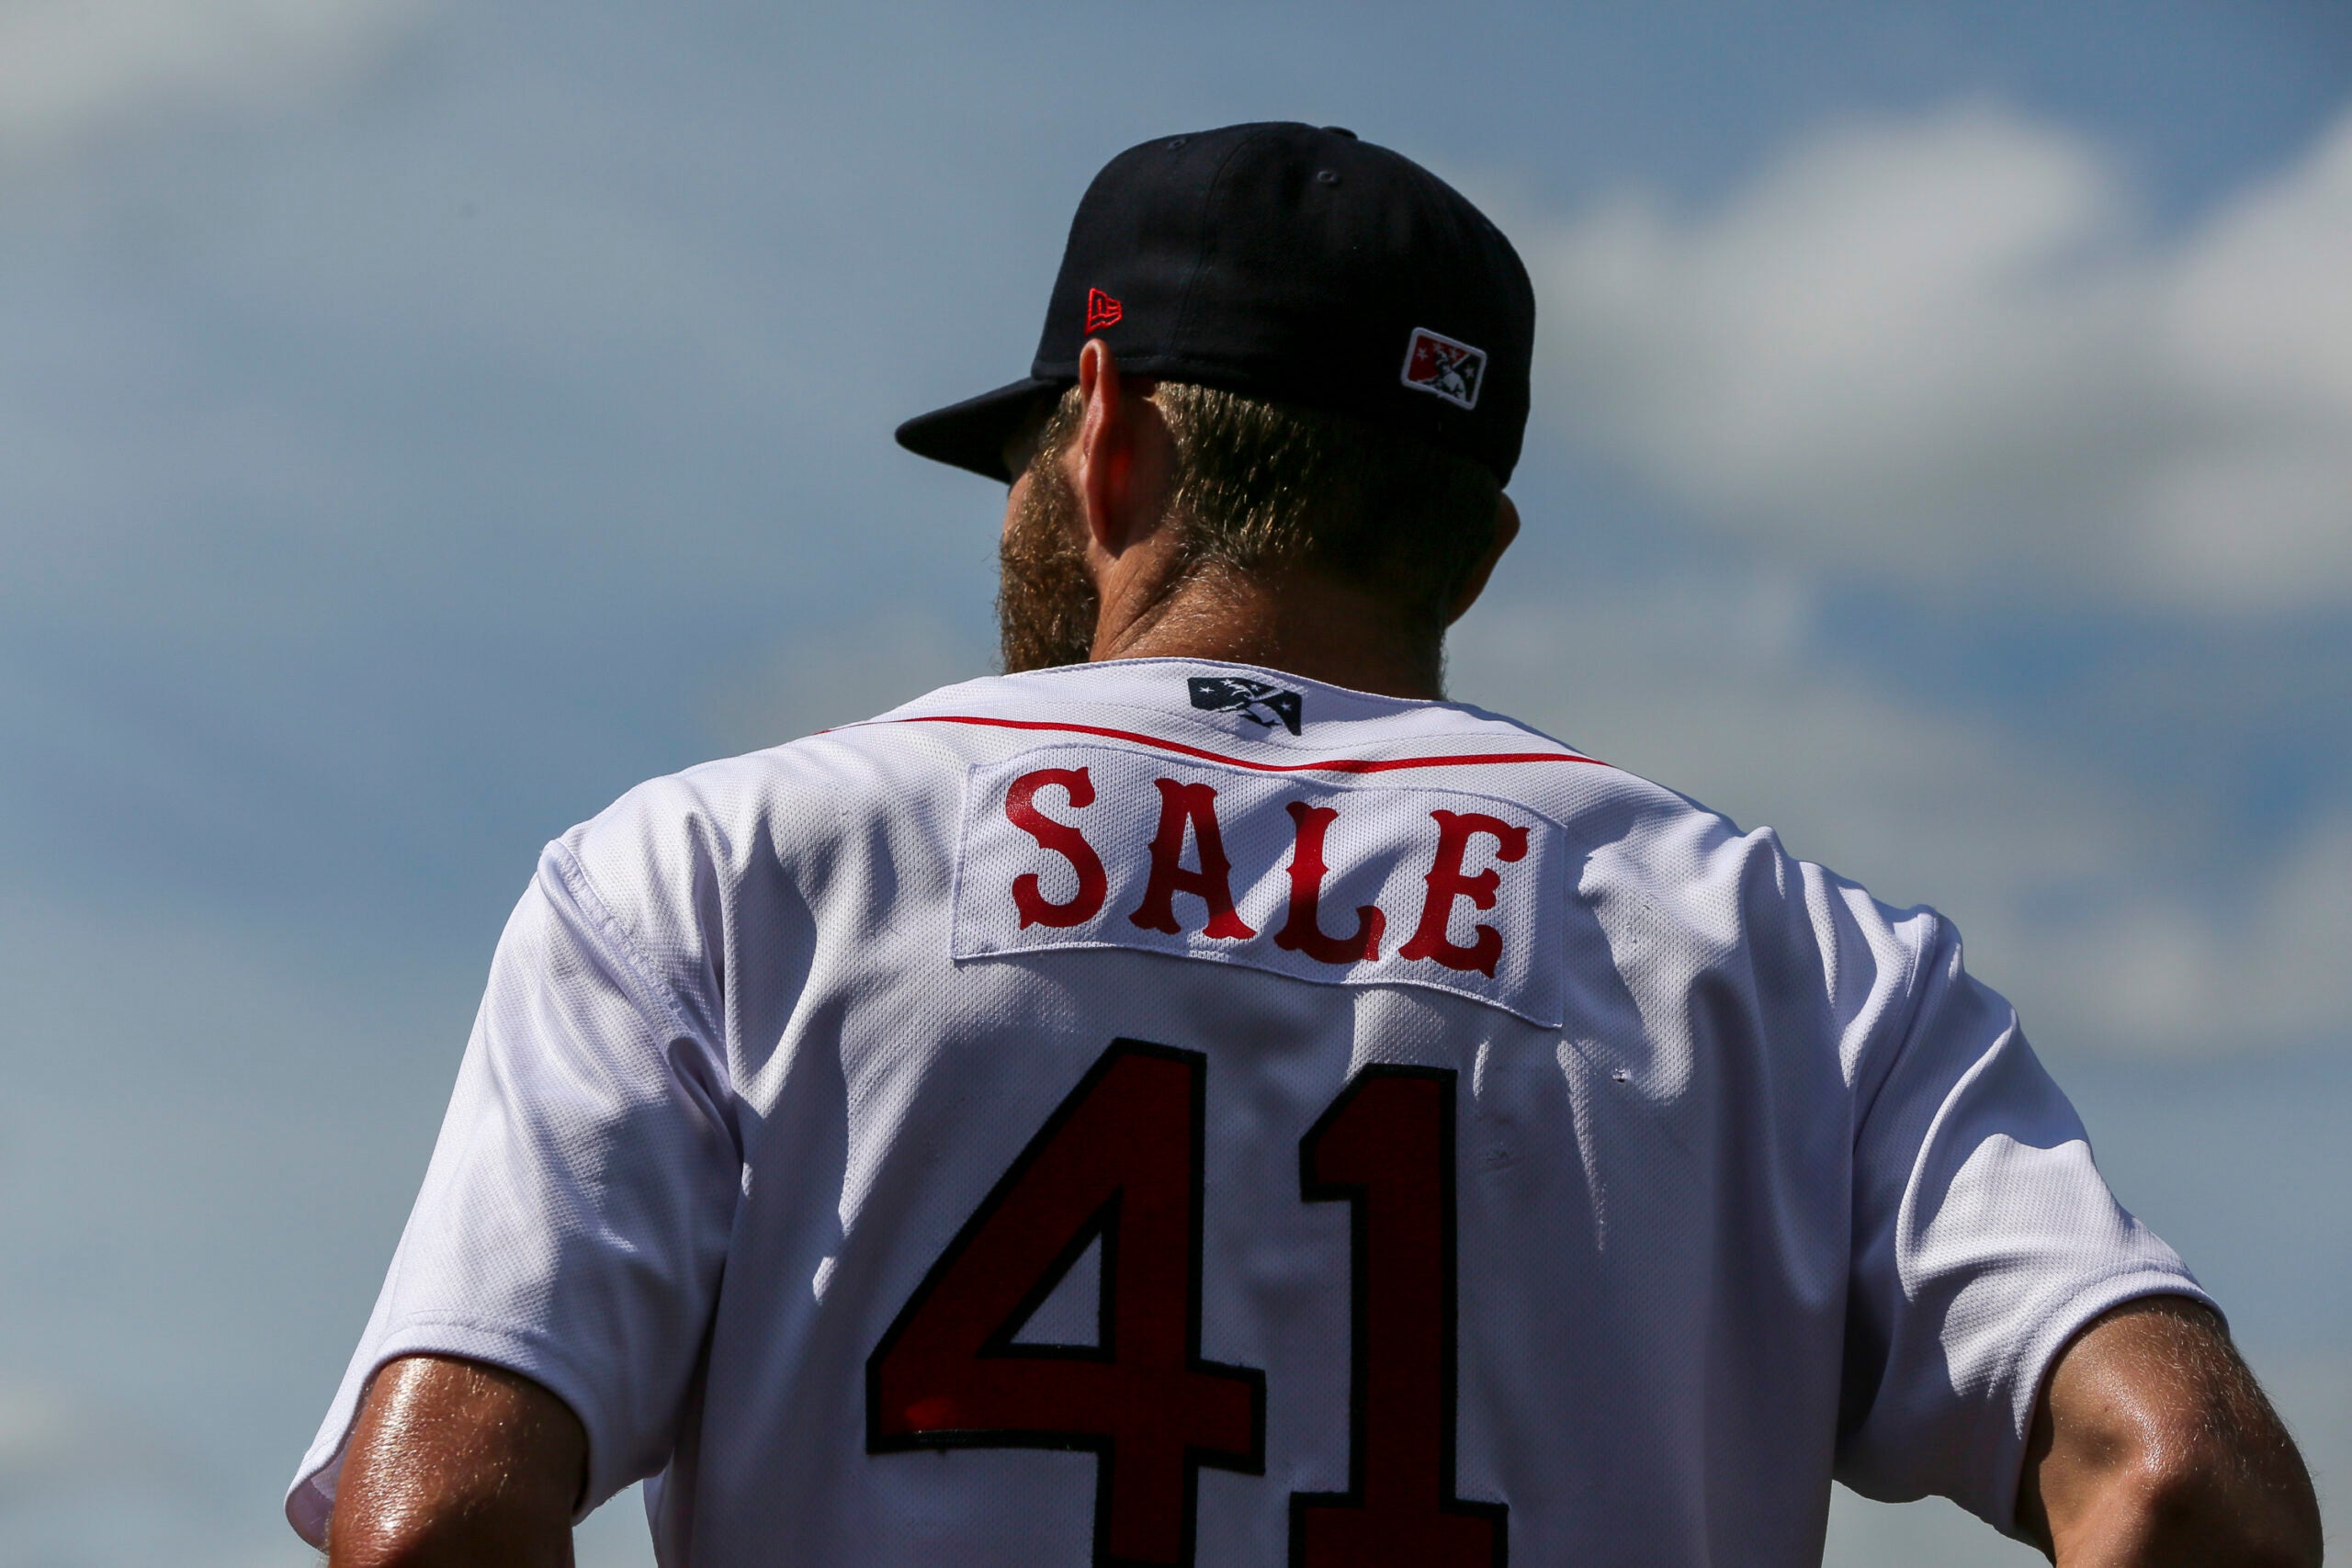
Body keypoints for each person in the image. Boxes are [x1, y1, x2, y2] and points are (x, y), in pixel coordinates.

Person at [291, 123, 2322, 1567]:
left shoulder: (713, 869)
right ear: (1476, 542)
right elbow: (2177, 1481)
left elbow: (441, 1505)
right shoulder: (1799, 956)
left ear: (1104, 435)